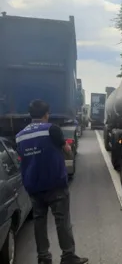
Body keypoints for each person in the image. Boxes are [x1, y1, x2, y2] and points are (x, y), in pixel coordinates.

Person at [15, 99, 88, 264]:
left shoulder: (20, 136)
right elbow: (67, 150)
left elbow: (22, 158)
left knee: (39, 222)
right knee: (62, 221)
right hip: (55, 184)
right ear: (46, 114)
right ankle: (68, 256)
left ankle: (43, 258)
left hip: (34, 186)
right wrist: (68, 152)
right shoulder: (52, 130)